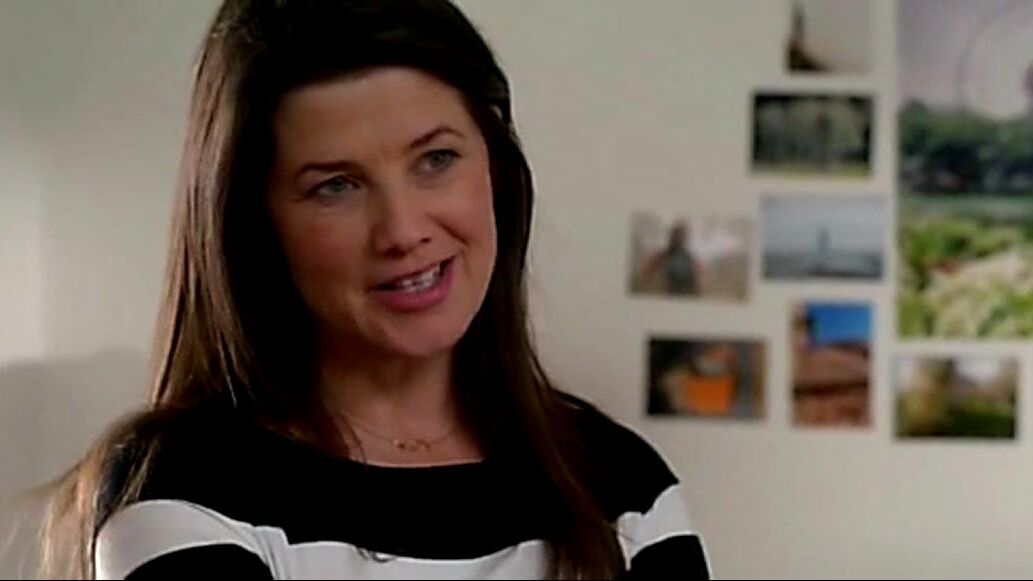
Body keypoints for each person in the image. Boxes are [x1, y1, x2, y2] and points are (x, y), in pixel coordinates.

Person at [39, 1, 710, 579]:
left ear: (497, 172)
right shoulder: (185, 489)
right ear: (254, 225)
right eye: (336, 186)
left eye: (436, 159)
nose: (403, 230)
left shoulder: (621, 487)